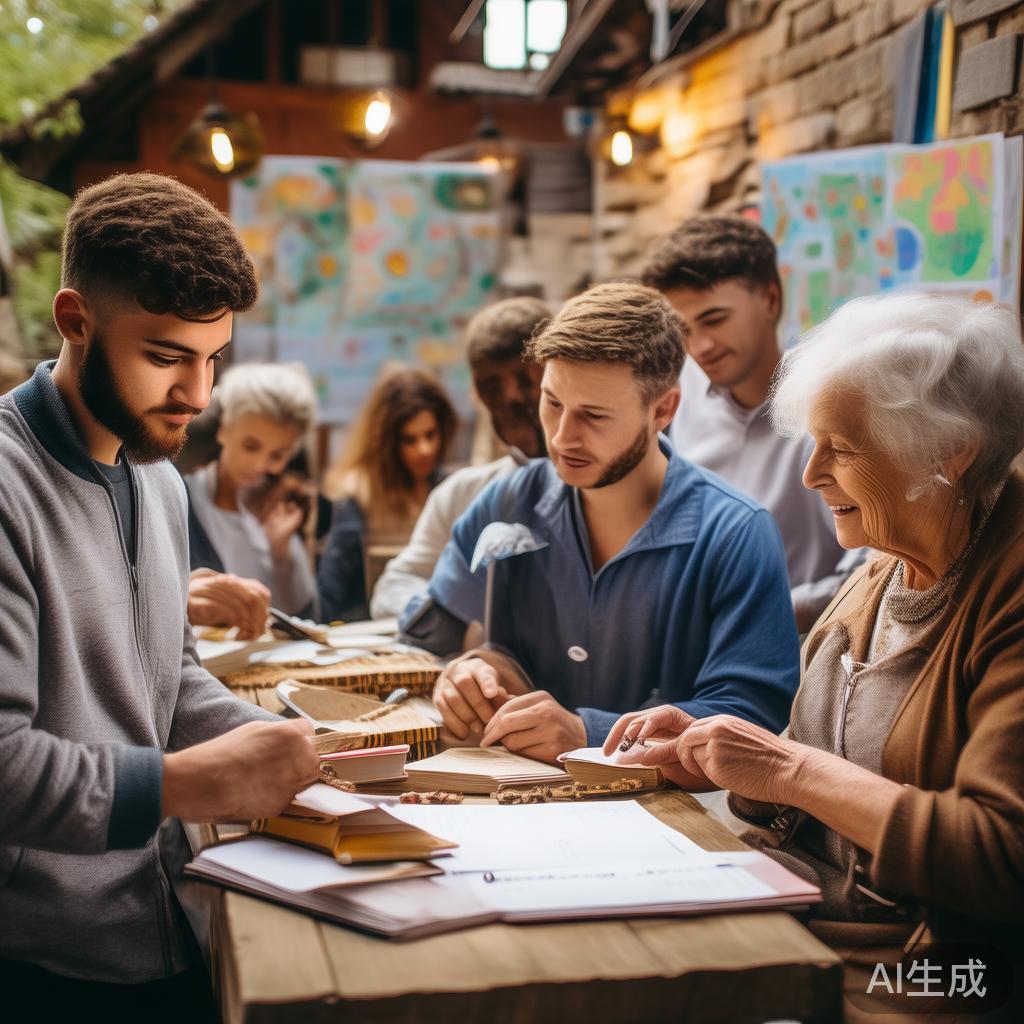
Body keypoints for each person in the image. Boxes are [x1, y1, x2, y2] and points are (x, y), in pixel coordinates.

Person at [605, 293, 1024, 1018]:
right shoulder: (887, 562)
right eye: (814, 441)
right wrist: (723, 759)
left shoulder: (1008, 591)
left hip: (927, 975)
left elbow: (1001, 857)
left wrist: (784, 767)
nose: (810, 474)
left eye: (845, 447)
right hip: (802, 928)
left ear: (948, 457)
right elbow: (817, 786)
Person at [0, 173, 319, 1011]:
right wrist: (189, 785)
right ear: (76, 321)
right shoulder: (6, 488)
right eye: (167, 357)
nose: (199, 396)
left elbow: (170, 683)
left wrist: (298, 753)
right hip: (43, 966)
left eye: (214, 359)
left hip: (171, 920)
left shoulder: (160, 478)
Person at [402, 282, 800, 762]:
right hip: (512, 805)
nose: (563, 437)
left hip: (678, 822)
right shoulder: (505, 501)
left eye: (593, 415)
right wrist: (465, 673)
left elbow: (754, 716)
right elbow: (428, 637)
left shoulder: (737, 534)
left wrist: (586, 732)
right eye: (552, 403)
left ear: (663, 410)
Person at [641, 215, 854, 631]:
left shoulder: (836, 406)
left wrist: (769, 612)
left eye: (715, 319)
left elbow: (876, 567)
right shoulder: (676, 398)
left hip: (811, 654)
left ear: (771, 300)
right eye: (683, 329)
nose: (699, 347)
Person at [370, 297, 550, 619]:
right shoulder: (461, 494)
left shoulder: (602, 489)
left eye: (524, 379)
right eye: (492, 385)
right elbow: (392, 588)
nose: (510, 397)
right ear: (477, 391)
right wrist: (460, 615)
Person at [318, 364, 456, 621]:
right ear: (388, 443)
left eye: (430, 434)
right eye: (410, 440)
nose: (424, 449)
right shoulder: (359, 494)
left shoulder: (449, 489)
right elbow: (331, 597)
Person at [184, 362, 318, 617]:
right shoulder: (182, 498)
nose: (260, 465)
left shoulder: (282, 505)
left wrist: (281, 554)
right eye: (250, 446)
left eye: (277, 455)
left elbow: (307, 615)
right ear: (223, 430)